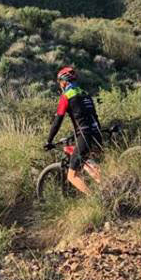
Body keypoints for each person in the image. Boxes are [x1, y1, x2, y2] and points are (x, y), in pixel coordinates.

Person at [45, 66, 103, 194]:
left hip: (85, 136)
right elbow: (90, 117)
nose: (60, 85)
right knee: (90, 164)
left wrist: (49, 140)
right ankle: (107, 188)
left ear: (64, 82)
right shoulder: (85, 94)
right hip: (97, 134)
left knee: (72, 176)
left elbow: (57, 122)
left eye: (60, 82)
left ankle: (95, 200)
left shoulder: (66, 96)